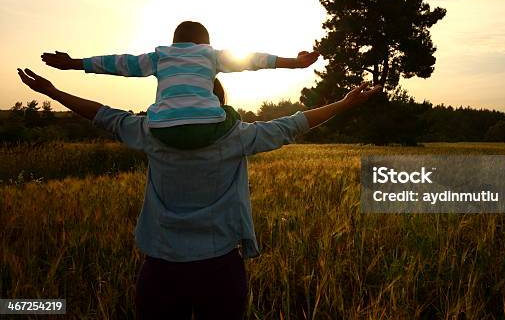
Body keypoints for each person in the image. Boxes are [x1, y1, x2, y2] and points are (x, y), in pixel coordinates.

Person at [17, 67, 382, 319]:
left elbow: (103, 115)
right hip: (220, 269)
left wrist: (53, 91)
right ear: (218, 103)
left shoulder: (149, 131)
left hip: (160, 269)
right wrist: (346, 103)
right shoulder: (238, 136)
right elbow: (294, 125)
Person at [40, 21, 319, 149]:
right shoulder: (211, 55)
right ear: (206, 43)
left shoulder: (160, 56)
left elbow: (119, 63)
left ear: (175, 43)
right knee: (231, 116)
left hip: (163, 130)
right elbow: (253, 60)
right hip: (208, 126)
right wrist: (294, 62)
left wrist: (75, 63)